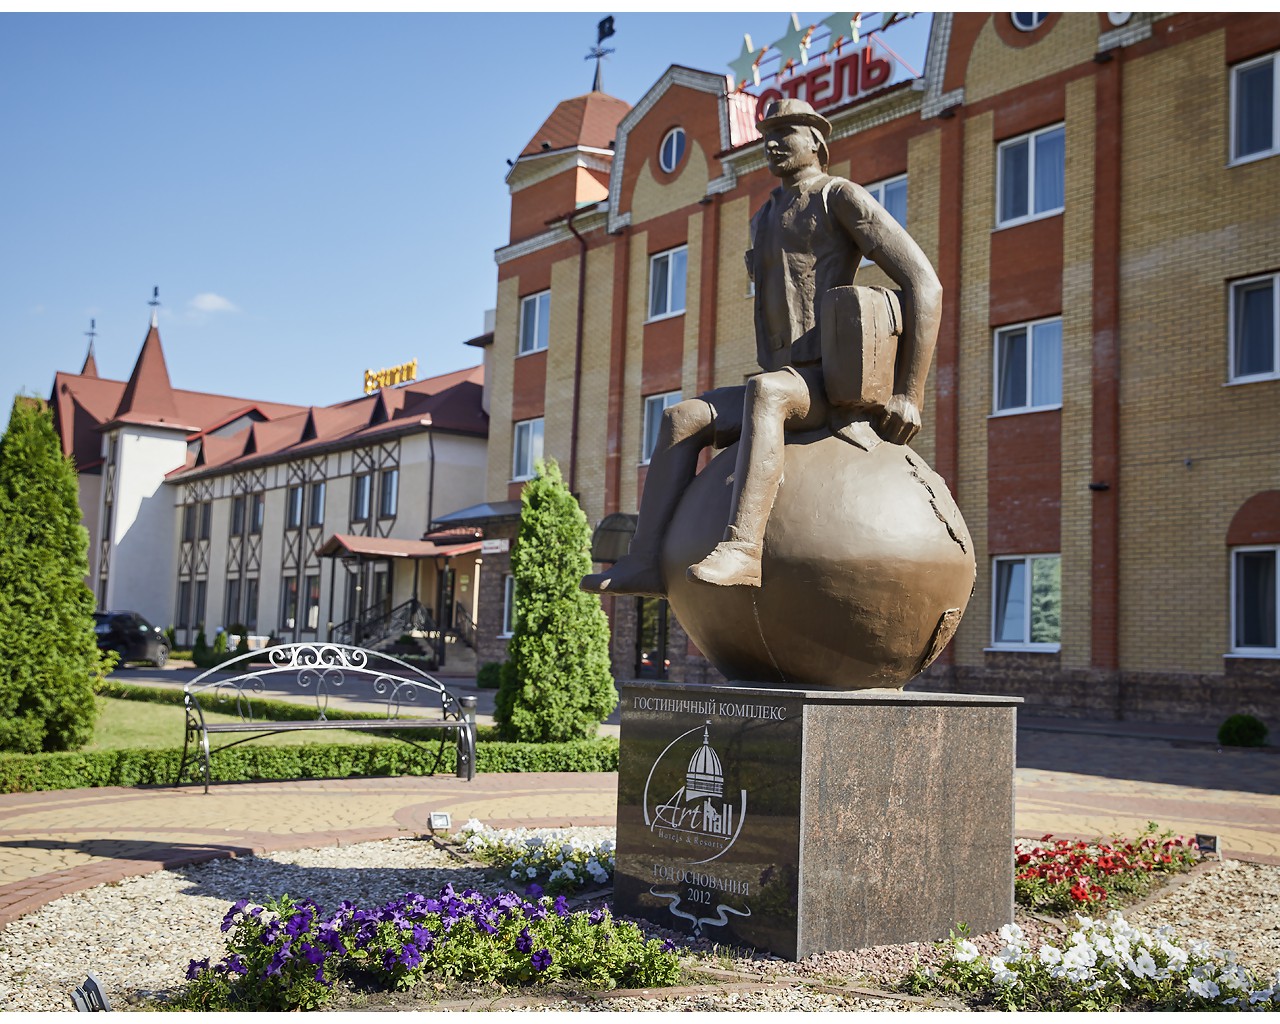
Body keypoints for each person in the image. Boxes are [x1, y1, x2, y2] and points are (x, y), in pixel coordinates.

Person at [581, 98, 942, 596]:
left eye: (785, 133)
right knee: (681, 417)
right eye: (766, 135)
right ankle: (645, 562)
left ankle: (744, 549)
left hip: (829, 383)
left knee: (766, 394)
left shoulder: (840, 197)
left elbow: (925, 284)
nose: (772, 144)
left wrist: (909, 393)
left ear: (816, 142)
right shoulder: (764, 216)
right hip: (788, 376)